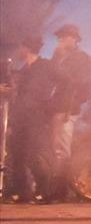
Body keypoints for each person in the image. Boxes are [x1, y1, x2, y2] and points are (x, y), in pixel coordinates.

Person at [47, 24, 91, 201]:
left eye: (64, 36)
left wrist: (75, 100)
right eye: (60, 36)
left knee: (61, 150)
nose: (60, 39)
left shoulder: (82, 60)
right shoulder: (60, 57)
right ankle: (56, 189)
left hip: (66, 109)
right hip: (56, 107)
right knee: (56, 149)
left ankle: (59, 191)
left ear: (74, 39)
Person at [5, 37, 57, 202]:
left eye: (21, 48)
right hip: (20, 117)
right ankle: (23, 193)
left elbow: (66, 82)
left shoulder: (45, 66)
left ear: (26, 48)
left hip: (36, 117)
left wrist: (52, 104)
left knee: (33, 155)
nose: (19, 52)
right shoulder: (24, 70)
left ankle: (45, 190)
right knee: (17, 155)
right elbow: (19, 94)